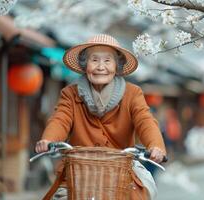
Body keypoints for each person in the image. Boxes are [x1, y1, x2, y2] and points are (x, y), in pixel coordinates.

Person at [35, 34, 166, 199]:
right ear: (85, 65)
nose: (100, 67)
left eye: (107, 61)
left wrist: (155, 146)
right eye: (94, 60)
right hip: (78, 171)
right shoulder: (70, 93)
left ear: (117, 66)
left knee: (141, 194)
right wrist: (48, 140)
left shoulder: (133, 93)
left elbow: (145, 120)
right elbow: (60, 119)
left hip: (121, 170)